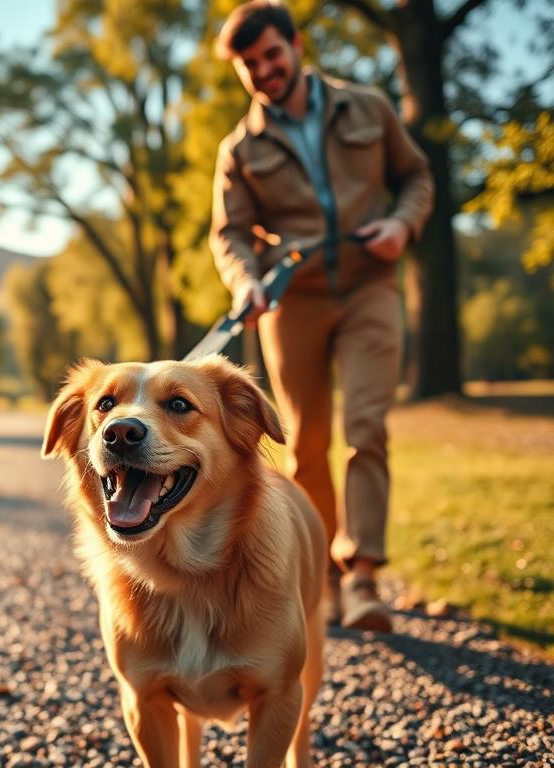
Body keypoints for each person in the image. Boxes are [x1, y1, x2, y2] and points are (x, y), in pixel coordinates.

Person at [210, 0, 433, 631]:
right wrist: (247, 281)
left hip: (369, 287)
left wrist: (402, 222)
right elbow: (228, 233)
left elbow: (416, 175)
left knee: (366, 425)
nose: (263, 71)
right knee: (303, 442)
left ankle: (363, 576)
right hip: (294, 301)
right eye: (249, 65)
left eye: (271, 55)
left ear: (296, 44)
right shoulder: (240, 149)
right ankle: (323, 578)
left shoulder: (368, 108)